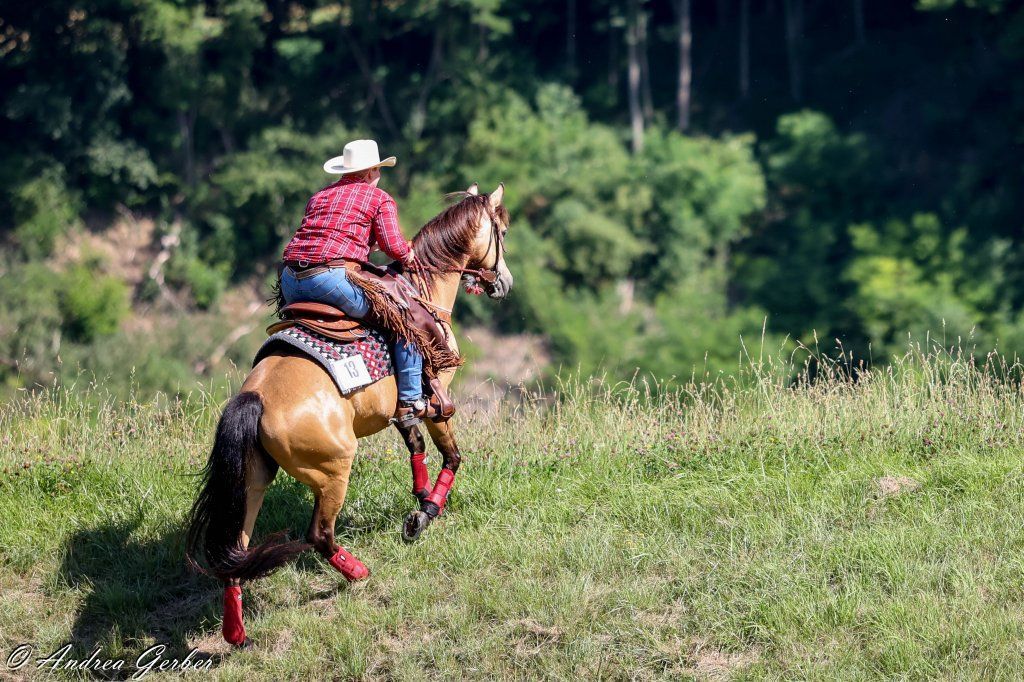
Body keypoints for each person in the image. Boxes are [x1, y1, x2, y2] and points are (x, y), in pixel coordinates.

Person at [280, 139, 429, 425]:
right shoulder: (379, 199)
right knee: (404, 318)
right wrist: (409, 255)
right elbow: (393, 246)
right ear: (372, 170)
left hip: (290, 282)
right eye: (379, 170)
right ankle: (410, 400)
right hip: (330, 280)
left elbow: (328, 235)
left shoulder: (320, 196)